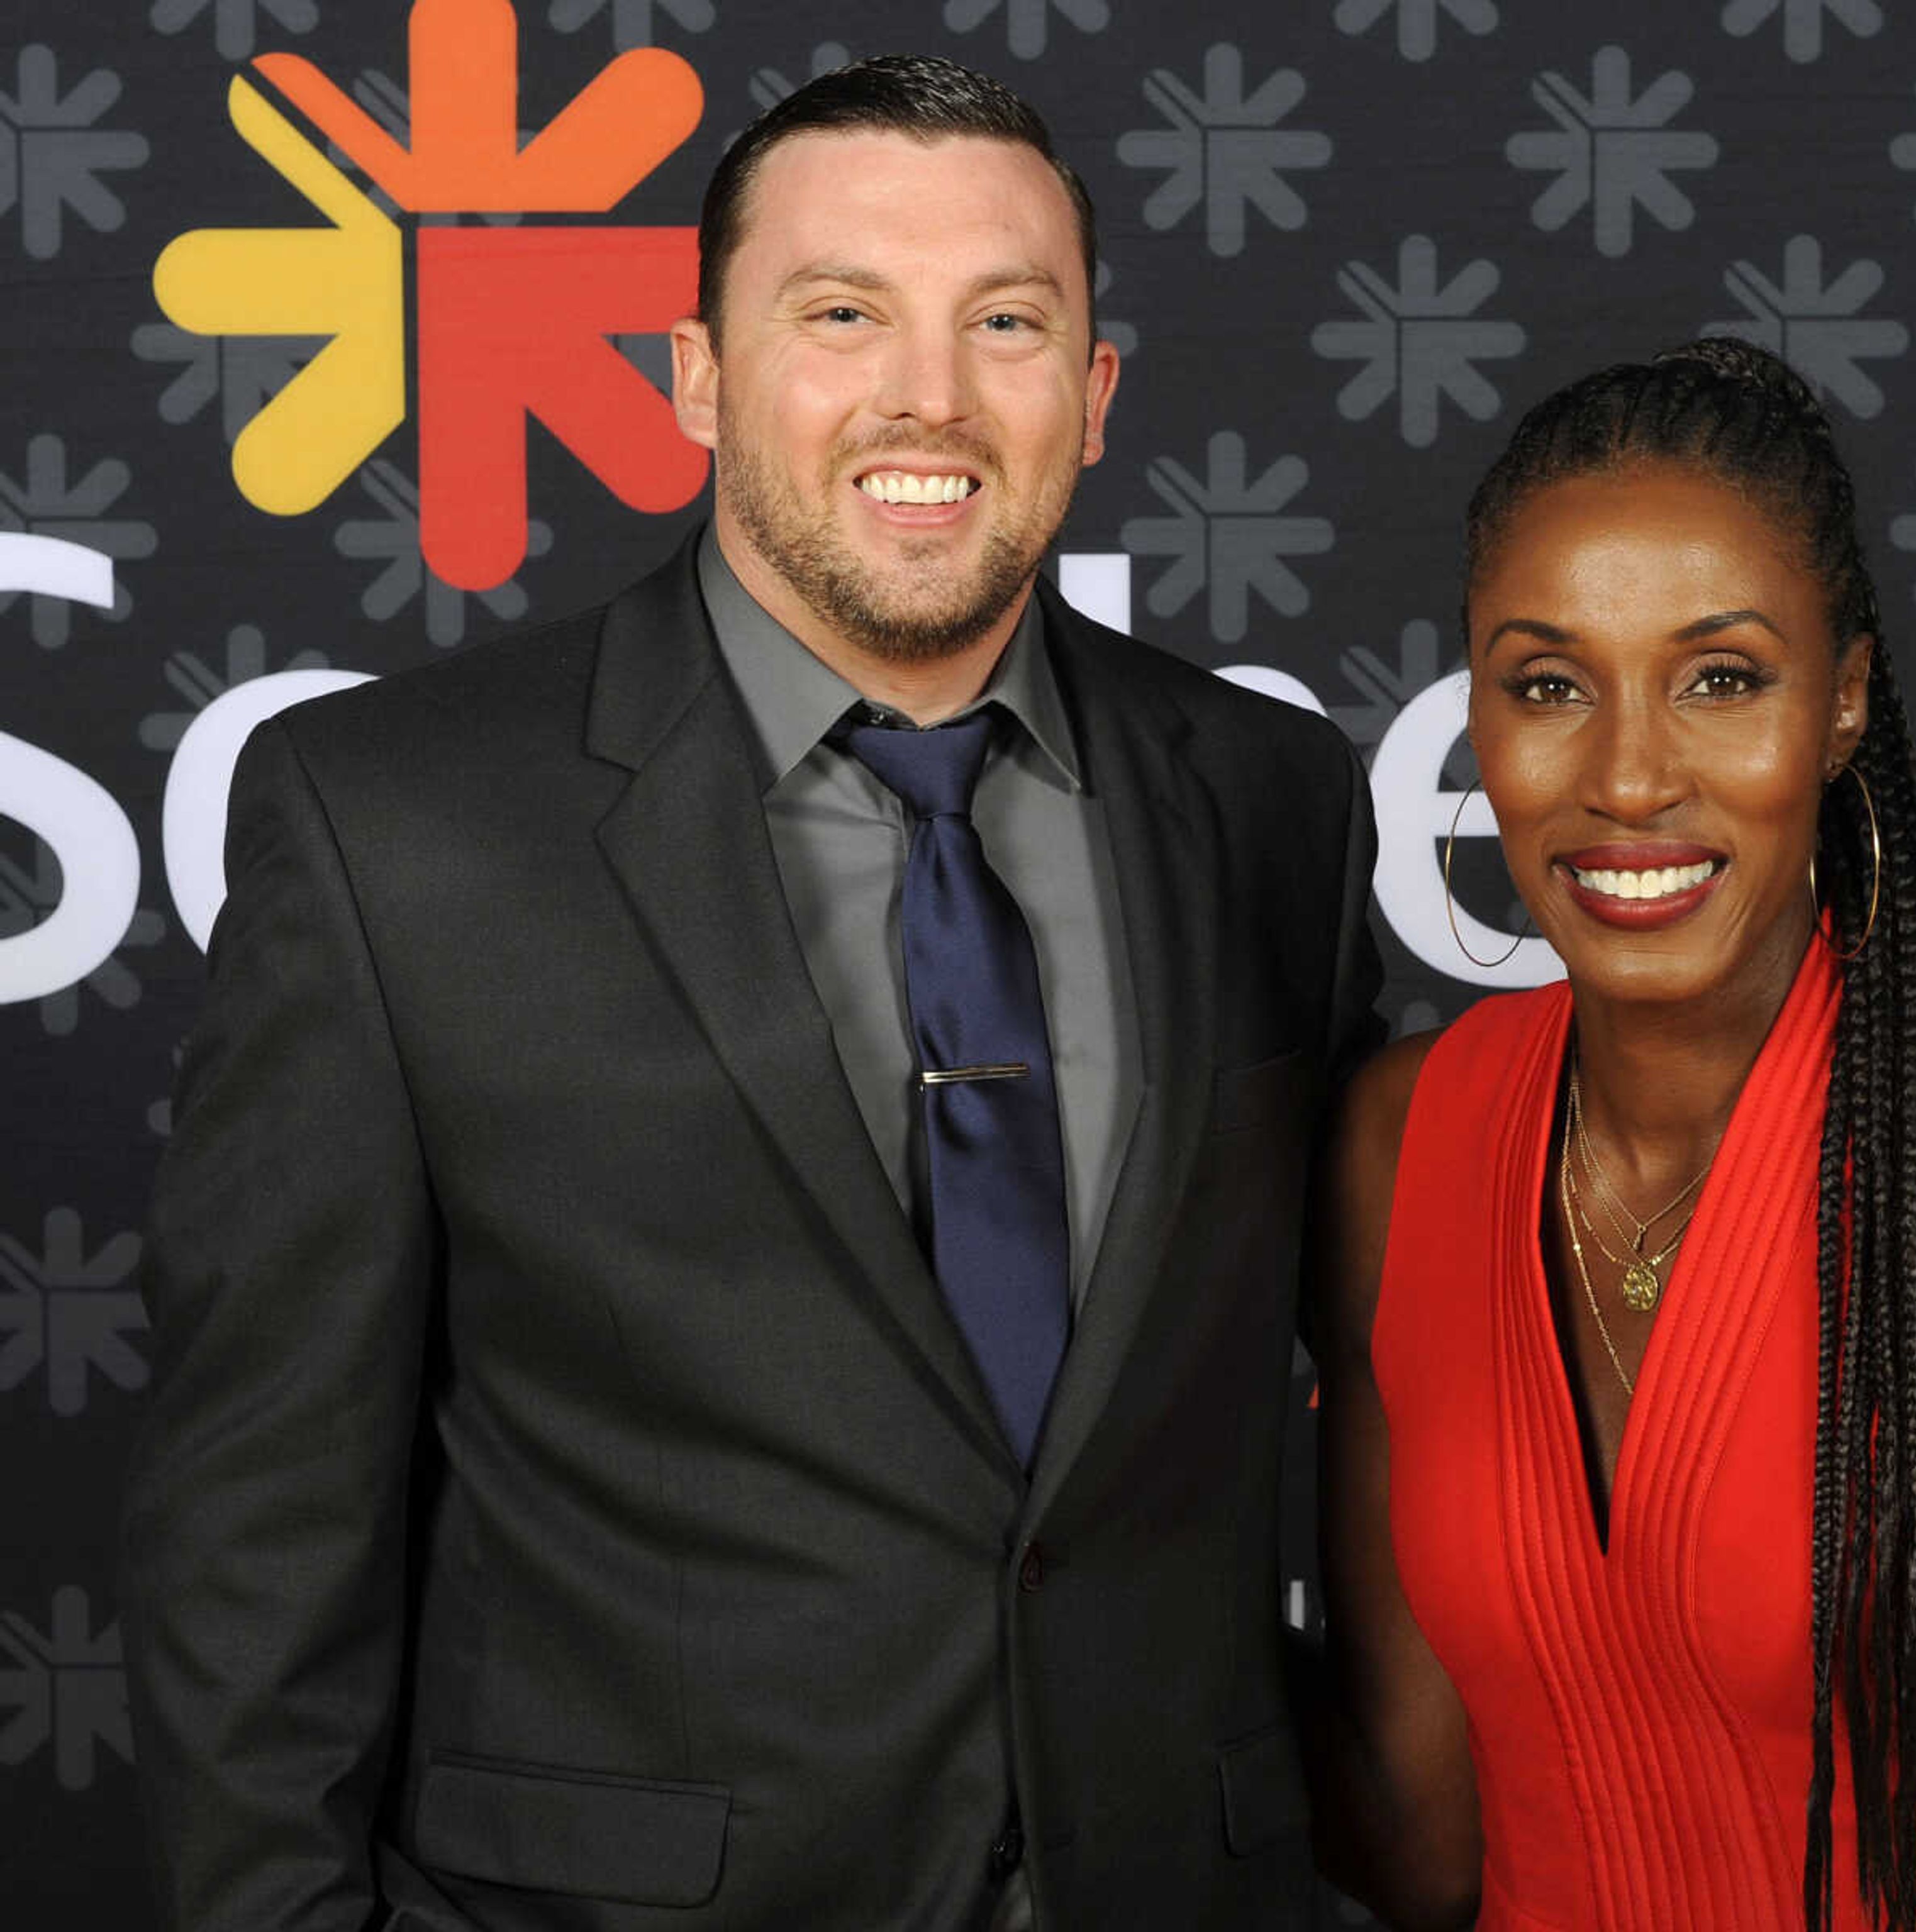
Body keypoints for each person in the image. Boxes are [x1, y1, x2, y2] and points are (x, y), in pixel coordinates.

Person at [122, 55, 1379, 1932]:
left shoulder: (1273, 805)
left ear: (1098, 395)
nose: (928, 396)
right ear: (699, 376)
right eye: (842, 313)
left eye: (1009, 322)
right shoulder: (388, 825)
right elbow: (255, 1555)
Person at [1310, 340, 1916, 1930]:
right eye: (1548, 684)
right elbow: (1424, 1847)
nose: (1629, 775)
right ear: (1475, 719)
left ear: (1842, 701)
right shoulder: (1399, 1143)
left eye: (1722, 677)